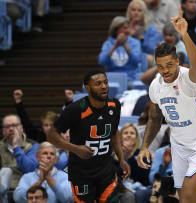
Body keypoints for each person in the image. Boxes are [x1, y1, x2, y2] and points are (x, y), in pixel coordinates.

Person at [137, 8, 196, 202]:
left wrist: (184, 35)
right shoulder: (156, 86)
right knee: (183, 198)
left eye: (169, 65)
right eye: (160, 66)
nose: (165, 70)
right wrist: (144, 147)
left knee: (188, 199)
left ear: (177, 62)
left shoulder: (189, 80)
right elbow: (154, 117)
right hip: (179, 145)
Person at [47, 70, 130, 202]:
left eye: (105, 82)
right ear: (88, 87)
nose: (104, 86)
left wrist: (121, 159)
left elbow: (114, 132)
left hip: (106, 171)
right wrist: (75, 149)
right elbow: (51, 135)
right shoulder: (75, 109)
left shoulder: (114, 105)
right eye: (98, 83)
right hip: (81, 174)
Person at [98, 16, 142, 80]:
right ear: (116, 30)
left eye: (128, 28)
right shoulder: (108, 44)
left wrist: (125, 44)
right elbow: (102, 62)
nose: (127, 31)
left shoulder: (135, 43)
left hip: (130, 79)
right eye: (124, 28)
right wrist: (115, 46)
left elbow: (136, 61)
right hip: (112, 79)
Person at [0, 114, 36, 190]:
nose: (11, 129)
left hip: (25, 190)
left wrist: (16, 147)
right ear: (3, 131)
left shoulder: (32, 146)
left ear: (21, 128)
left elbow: (30, 170)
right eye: (7, 126)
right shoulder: (1, 147)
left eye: (14, 125)